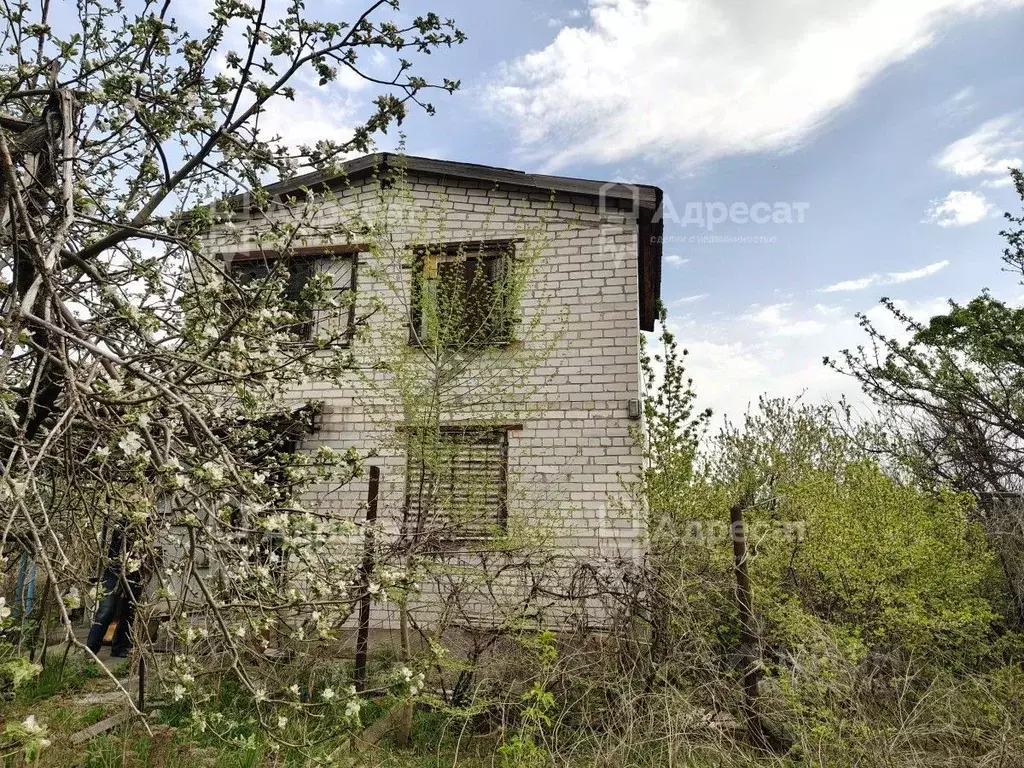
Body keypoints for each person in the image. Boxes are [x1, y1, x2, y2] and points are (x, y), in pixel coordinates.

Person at [85, 523, 142, 658]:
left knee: (129, 609)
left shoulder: (148, 523)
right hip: (114, 567)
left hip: (137, 569)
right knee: (106, 609)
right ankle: (90, 649)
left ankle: (120, 647)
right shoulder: (121, 519)